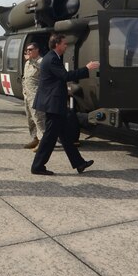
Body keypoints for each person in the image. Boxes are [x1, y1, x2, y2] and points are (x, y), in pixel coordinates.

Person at [31, 33, 98, 176]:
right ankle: (37, 166)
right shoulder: (52, 59)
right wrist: (87, 68)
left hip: (54, 102)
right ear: (57, 44)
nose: (66, 45)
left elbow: (56, 80)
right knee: (50, 137)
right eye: (64, 43)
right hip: (52, 104)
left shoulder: (53, 57)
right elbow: (66, 76)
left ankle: (79, 163)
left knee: (65, 135)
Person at [22, 42, 45, 151]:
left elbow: (44, 70)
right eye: (27, 50)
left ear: (37, 50)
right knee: (30, 118)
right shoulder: (28, 63)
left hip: (36, 95)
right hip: (27, 95)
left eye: (30, 49)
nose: (28, 52)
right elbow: (25, 77)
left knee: (38, 118)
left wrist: (30, 60)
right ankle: (35, 138)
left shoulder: (42, 61)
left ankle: (43, 141)